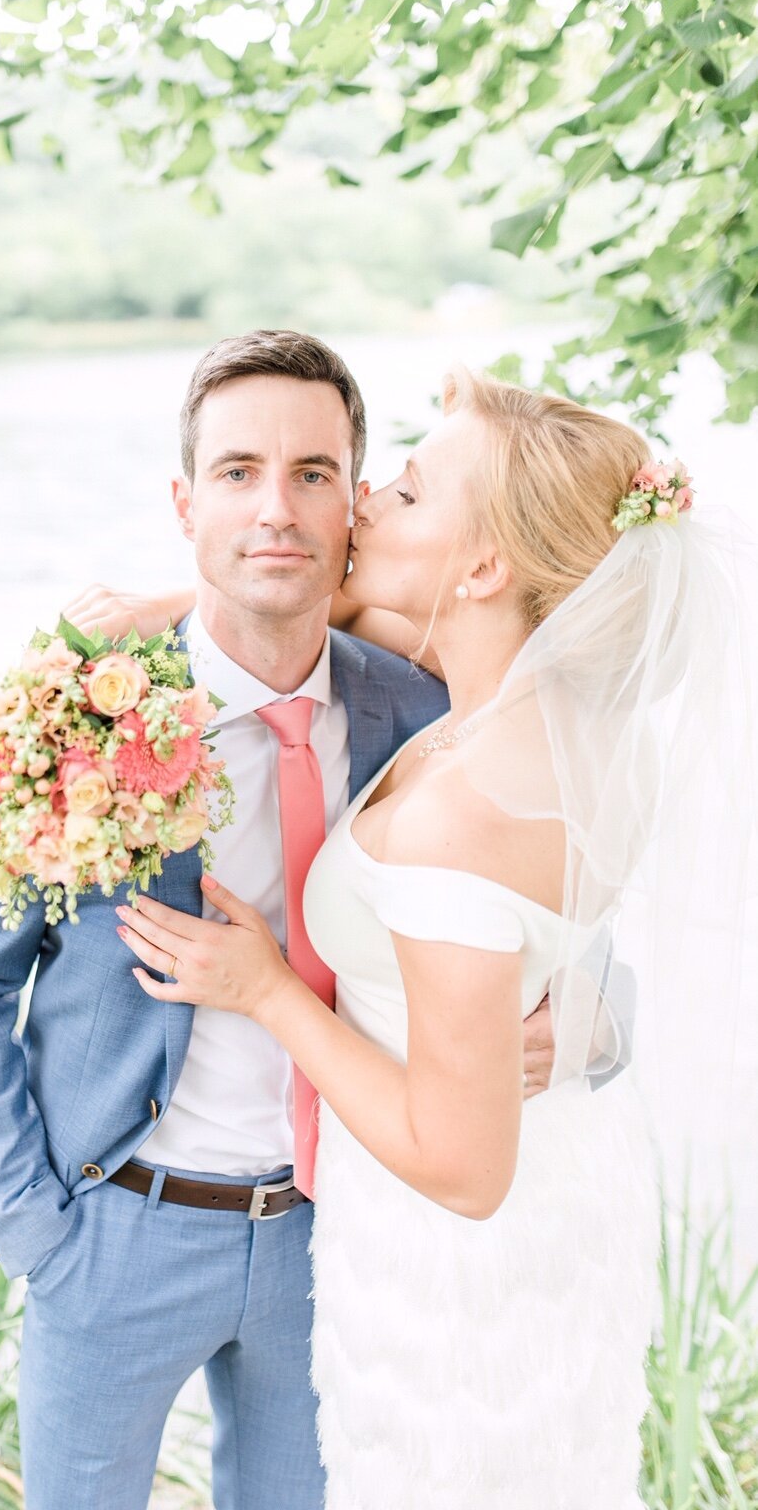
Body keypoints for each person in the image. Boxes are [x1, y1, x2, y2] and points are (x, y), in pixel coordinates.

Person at [0, 332, 573, 1510]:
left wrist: (566, 1018)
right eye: (238, 472)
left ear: (356, 506)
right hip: (113, 1231)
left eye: (313, 474)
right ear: (184, 500)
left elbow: (547, 888)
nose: (276, 507)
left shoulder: (420, 712)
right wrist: (31, 1221)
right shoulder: (76, 716)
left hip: (338, 1240)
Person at [110, 367, 756, 1507]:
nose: (359, 503)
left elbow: (463, 1170)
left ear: (484, 567)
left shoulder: (465, 816)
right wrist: (168, 609)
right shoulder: (576, 722)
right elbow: (351, 608)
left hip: (453, 1273)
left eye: (405, 492)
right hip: (563, 1194)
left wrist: (266, 991)